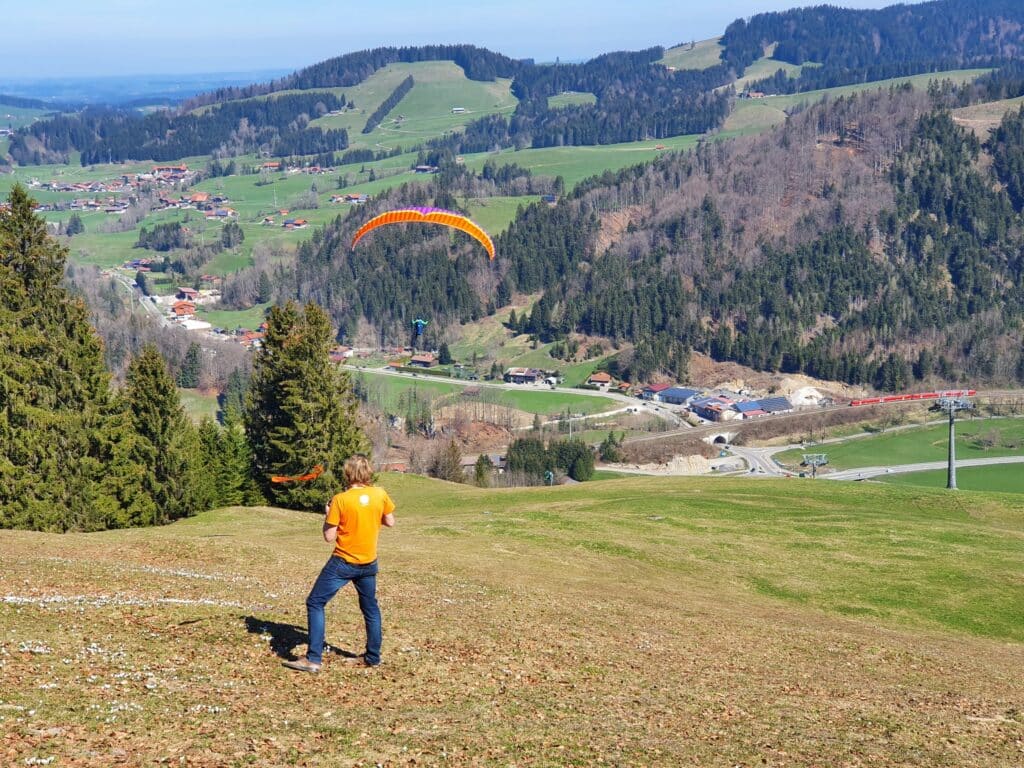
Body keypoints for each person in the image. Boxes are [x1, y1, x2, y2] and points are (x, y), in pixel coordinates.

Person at [284, 455, 395, 673]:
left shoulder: (340, 500)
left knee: (315, 602)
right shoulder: (380, 494)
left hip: (343, 561)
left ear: (347, 473)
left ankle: (313, 659)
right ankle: (373, 657)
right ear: (368, 472)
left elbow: (329, 536)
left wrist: (328, 515)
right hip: (369, 562)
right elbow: (390, 521)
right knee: (370, 609)